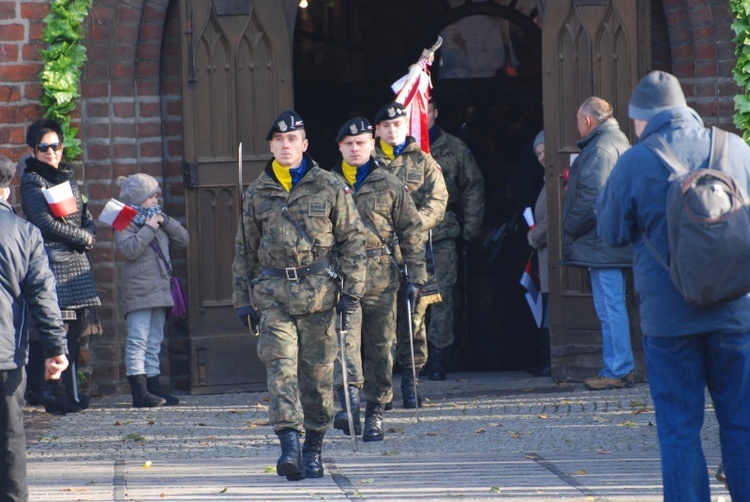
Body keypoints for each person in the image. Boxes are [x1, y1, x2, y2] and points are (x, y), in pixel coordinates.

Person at [597, 70, 750, 501]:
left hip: (669, 321)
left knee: (679, 430)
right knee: (742, 424)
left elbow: (610, 232)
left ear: (643, 119)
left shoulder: (635, 160)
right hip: (736, 313)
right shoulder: (735, 149)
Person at [232, 111, 366, 481]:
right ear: (271, 146)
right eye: (278, 140)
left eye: (292, 140)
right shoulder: (258, 191)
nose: (285, 146)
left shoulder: (329, 185)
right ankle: (288, 444)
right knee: (281, 369)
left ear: (305, 145)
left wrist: (352, 292)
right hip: (273, 295)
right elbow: (245, 248)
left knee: (318, 377)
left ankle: (313, 448)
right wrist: (242, 298)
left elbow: (354, 240)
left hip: (320, 296)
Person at [330, 117, 427, 441]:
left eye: (361, 143)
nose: (355, 149)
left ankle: (375, 413)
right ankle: (350, 406)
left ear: (372, 145)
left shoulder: (389, 183)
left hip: (382, 279)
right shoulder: (326, 184)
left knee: (381, 348)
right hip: (342, 280)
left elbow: (411, 231)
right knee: (343, 345)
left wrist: (416, 276)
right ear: (340, 147)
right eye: (348, 144)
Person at [0, 154, 69, 502]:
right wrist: (56, 348)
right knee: (10, 437)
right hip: (6, 352)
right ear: (7, 191)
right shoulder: (25, 232)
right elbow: (43, 293)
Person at [20, 119, 101, 414]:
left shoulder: (67, 177)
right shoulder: (32, 180)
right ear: (34, 150)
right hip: (53, 262)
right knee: (56, 331)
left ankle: (69, 391)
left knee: (75, 332)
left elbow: (84, 212)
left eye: (55, 146)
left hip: (77, 262)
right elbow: (43, 223)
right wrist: (82, 237)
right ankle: (50, 392)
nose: (51, 152)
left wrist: (88, 230)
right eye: (44, 148)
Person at [372, 101, 448, 408]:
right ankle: (382, 386)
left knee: (414, 320)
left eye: (398, 125)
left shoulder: (423, 161)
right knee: (380, 322)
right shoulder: (366, 161)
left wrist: (414, 226)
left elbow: (439, 199)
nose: (393, 130)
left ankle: (412, 382)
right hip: (376, 256)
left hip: (413, 253)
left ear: (407, 127)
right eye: (386, 126)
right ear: (377, 130)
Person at [561, 97, 634, 391]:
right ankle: (618, 366)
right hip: (608, 240)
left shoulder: (601, 148)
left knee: (609, 306)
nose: (577, 126)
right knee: (611, 305)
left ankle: (617, 369)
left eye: (578, 120)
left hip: (602, 242)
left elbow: (593, 200)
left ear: (588, 121)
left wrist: (570, 227)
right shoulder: (614, 141)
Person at [113, 174, 189, 408]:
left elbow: (183, 240)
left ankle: (154, 388)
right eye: (151, 197)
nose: (156, 200)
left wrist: (164, 221)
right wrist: (148, 227)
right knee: (138, 339)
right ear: (138, 198)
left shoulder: (158, 218)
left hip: (160, 288)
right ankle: (139, 391)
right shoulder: (123, 219)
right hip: (139, 290)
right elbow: (129, 249)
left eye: (157, 196)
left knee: (155, 339)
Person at [423, 98, 485, 380]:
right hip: (404, 238)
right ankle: (411, 358)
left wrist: (471, 230)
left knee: (442, 297)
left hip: (443, 234)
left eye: (426, 110)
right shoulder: (396, 150)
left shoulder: (454, 148)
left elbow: (473, 186)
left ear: (436, 112)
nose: (421, 116)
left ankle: (437, 357)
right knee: (407, 300)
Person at [526, 130, 550, 377]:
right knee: (546, 309)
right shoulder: (546, 181)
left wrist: (534, 237)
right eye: (538, 153)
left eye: (545, 150)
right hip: (545, 255)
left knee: (551, 312)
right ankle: (547, 360)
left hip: (551, 253)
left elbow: (554, 216)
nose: (542, 156)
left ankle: (551, 361)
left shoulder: (556, 180)